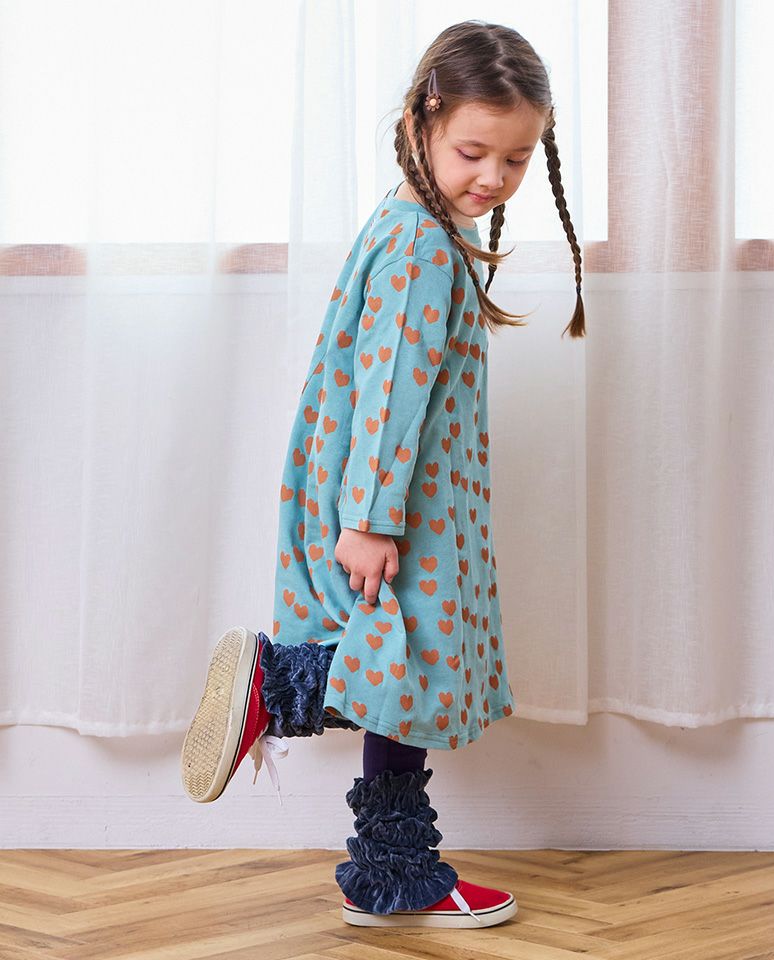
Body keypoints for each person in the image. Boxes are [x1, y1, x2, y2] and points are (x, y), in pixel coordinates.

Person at [180, 19, 584, 929]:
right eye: (474, 152)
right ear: (420, 121)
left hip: (396, 496)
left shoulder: (408, 223)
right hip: (402, 506)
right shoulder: (423, 249)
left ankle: (389, 873)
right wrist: (368, 518)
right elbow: (390, 391)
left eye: (517, 159)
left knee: (400, 678)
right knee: (407, 668)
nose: (494, 177)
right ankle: (276, 688)